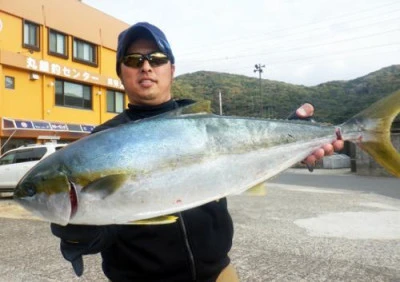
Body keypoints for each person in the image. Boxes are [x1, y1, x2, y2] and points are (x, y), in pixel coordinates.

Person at [51, 22, 344, 282]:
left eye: (157, 58)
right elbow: (101, 232)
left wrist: (293, 139)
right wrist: (78, 234)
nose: (146, 66)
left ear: (172, 69)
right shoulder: (102, 143)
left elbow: (247, 151)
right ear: (121, 73)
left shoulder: (204, 123)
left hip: (218, 273)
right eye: (133, 59)